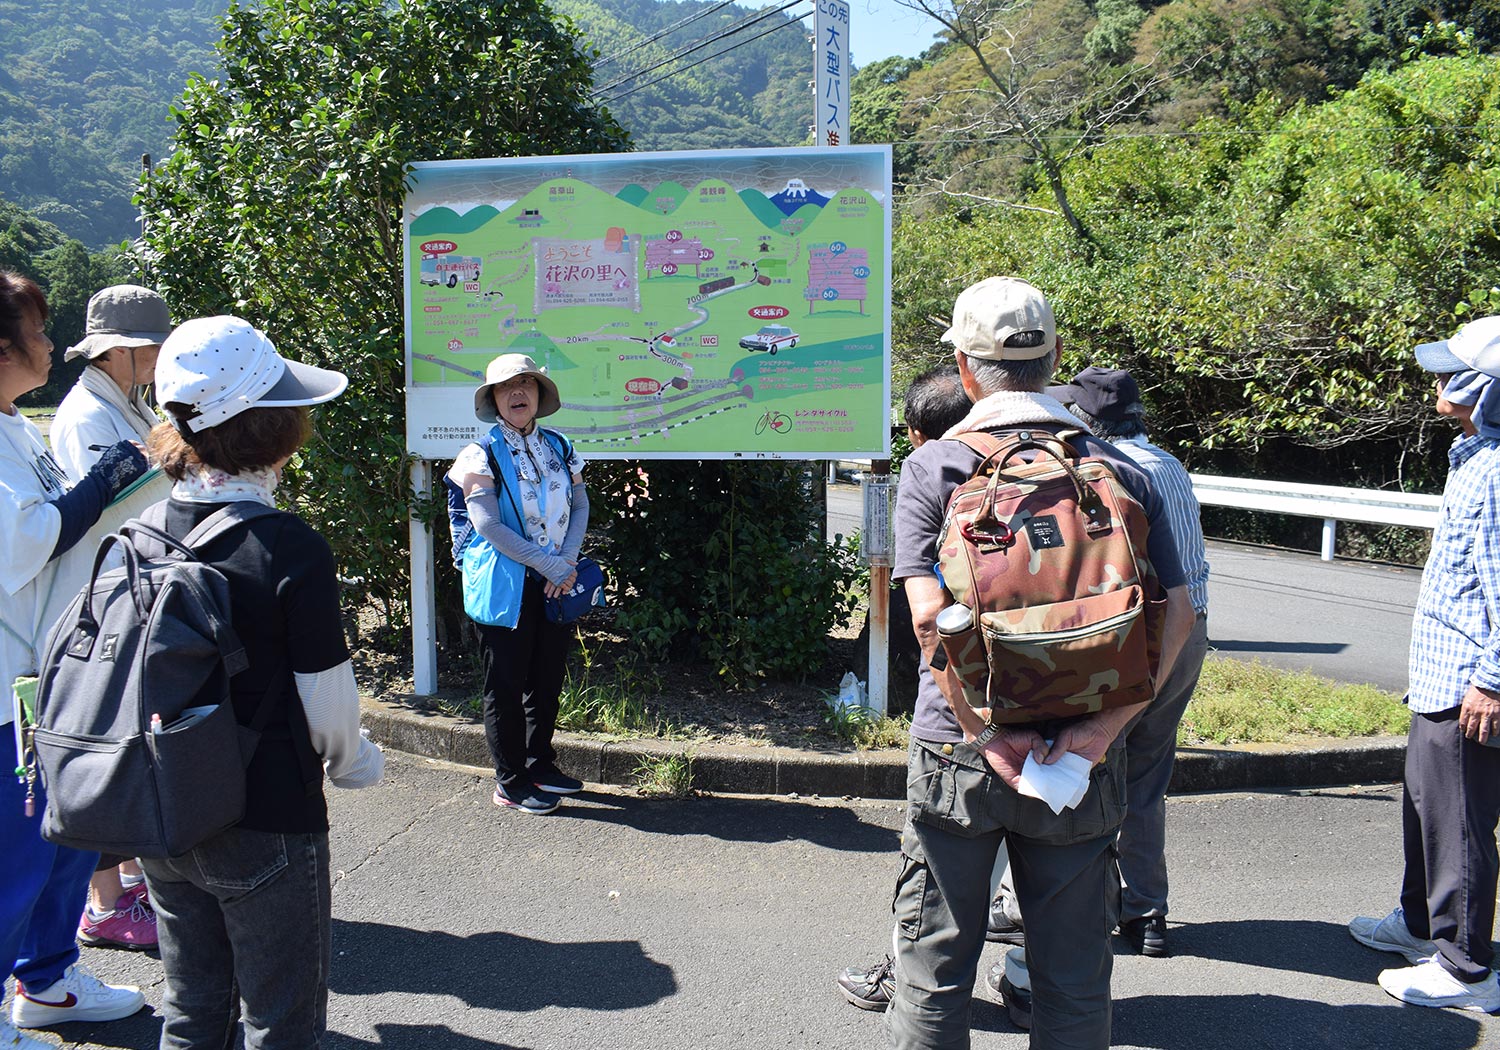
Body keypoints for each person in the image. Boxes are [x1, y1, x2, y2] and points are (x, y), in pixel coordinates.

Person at [885, 276, 1193, 1050]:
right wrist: (1099, 735)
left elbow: (931, 618)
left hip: (961, 748)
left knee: (935, 969)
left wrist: (989, 736)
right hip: (1081, 754)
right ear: (1056, 357)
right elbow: (1180, 616)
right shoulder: (1121, 466)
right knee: (1073, 978)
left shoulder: (935, 468)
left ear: (963, 369)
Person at [139, 315, 385, 1048]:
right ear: (271, 428)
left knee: (192, 1007)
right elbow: (327, 699)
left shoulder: (146, 530)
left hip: (163, 809)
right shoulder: (286, 546)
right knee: (281, 1021)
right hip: (268, 815)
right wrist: (353, 763)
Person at [0, 270, 149, 1049]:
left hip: (57, 675)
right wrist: (101, 485)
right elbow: (17, 545)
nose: (51, 343)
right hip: (8, 694)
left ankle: (49, 982)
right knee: (15, 861)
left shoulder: (19, 426)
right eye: (37, 328)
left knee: (66, 840)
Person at [1348, 318, 1500, 1013]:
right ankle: (1419, 925)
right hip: (1442, 671)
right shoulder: (1475, 451)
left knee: (1458, 824)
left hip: (1470, 680)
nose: (1437, 382)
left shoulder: (1498, 470)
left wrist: (1493, 680)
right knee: (1425, 810)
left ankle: (1467, 967)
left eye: (1452, 373)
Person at [1049, 366, 1211, 958]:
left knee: (1091, 764)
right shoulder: (1168, 464)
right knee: (1146, 776)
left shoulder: (1102, 471)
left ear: (1088, 421)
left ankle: (1077, 909)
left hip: (1126, 640)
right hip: (1188, 635)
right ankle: (1148, 915)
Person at [50, 283, 173, 952]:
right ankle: (102, 905)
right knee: (109, 747)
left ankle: (128, 882)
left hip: (139, 592)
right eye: (151, 346)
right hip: (109, 598)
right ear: (120, 353)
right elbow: (89, 512)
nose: (158, 356)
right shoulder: (83, 418)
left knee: (133, 747)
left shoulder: (125, 402)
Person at [449, 353, 589, 816]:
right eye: (505, 387)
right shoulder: (479, 454)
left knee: (546, 678)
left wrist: (565, 562)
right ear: (492, 399)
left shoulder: (561, 447)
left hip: (555, 581)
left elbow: (581, 506)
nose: (517, 393)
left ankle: (538, 764)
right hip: (507, 586)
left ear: (539, 394)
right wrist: (549, 564)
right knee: (504, 685)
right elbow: (487, 523)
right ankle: (510, 782)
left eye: (526, 384)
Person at [50, 284, 170, 479]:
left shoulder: (128, 404)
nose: (164, 354)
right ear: (119, 349)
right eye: (155, 345)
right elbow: (112, 505)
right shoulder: (87, 418)